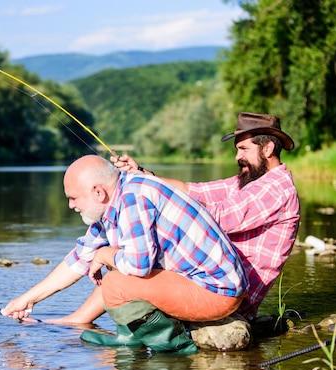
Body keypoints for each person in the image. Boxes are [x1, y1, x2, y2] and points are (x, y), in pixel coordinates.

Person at [2, 155, 247, 352]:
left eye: (73, 198)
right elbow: (78, 259)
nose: (70, 205)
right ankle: (131, 333)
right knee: (115, 270)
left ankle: (172, 345)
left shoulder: (133, 198)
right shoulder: (113, 205)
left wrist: (106, 254)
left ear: (98, 192)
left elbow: (138, 265)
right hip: (203, 285)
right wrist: (28, 299)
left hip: (215, 291)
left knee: (116, 281)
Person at [111, 112, 300, 321]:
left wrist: (159, 203)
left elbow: (218, 218)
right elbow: (193, 190)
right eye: (237, 149)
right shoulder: (252, 182)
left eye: (243, 149)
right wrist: (144, 175)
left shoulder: (275, 188)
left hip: (228, 296)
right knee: (131, 259)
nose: (237, 157)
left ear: (268, 149)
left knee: (125, 271)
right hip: (212, 283)